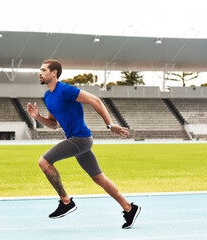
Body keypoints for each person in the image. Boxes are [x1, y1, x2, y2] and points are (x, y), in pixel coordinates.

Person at [27, 59, 141, 229]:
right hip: (77, 140)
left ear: (54, 73)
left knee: (44, 161)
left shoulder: (64, 89)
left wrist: (110, 125)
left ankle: (66, 202)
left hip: (80, 139)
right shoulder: (48, 96)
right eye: (40, 70)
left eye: (43, 70)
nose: (40, 73)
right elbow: (53, 124)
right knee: (98, 177)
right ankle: (129, 208)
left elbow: (96, 100)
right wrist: (37, 117)